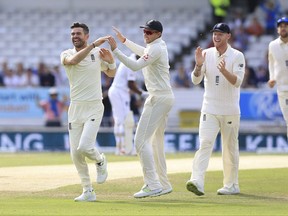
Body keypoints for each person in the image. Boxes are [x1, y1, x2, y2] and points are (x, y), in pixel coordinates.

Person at [107, 19, 175, 198]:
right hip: (163, 96)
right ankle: (163, 183)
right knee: (155, 143)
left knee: (140, 142)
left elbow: (135, 65)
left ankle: (153, 185)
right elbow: (143, 52)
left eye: (149, 32)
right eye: (144, 31)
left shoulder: (157, 48)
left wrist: (116, 50)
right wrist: (124, 41)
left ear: (158, 33)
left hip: (159, 98)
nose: (146, 34)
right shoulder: (156, 46)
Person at [186, 23, 245, 196]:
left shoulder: (237, 55)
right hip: (209, 108)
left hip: (230, 110)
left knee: (230, 149)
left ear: (228, 36)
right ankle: (197, 181)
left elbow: (237, 82)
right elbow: (195, 81)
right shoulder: (206, 54)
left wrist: (224, 71)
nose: (216, 37)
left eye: (220, 34)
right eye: (214, 34)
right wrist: (198, 66)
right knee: (205, 143)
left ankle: (231, 185)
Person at [60, 22, 116, 202]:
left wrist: (111, 60)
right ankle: (88, 190)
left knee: (84, 146)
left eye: (78, 34)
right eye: (73, 34)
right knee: (75, 154)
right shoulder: (66, 54)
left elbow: (111, 74)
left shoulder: (96, 54)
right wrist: (94, 45)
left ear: (86, 36)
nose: (75, 36)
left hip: (94, 106)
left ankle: (100, 160)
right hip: (75, 107)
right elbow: (74, 61)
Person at [108, 53, 146, 155]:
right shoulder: (131, 63)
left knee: (120, 120)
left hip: (118, 92)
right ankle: (124, 148)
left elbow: (130, 84)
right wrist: (142, 94)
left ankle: (121, 148)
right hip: (119, 92)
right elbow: (131, 84)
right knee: (123, 120)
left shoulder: (129, 60)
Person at [268, 17, 288, 139]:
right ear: (277, 29)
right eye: (281, 26)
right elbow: (271, 63)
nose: (283, 28)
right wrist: (272, 77)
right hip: (282, 88)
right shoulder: (273, 45)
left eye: (286, 25)